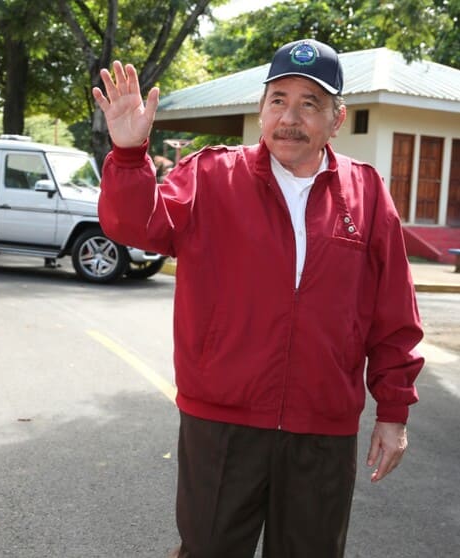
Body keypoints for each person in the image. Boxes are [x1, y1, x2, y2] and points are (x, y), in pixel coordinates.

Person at [92, 38, 424, 558]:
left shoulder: (366, 193)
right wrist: (130, 155)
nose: (290, 118)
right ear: (261, 108)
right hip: (221, 422)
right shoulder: (209, 175)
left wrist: (394, 410)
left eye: (310, 104)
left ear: (336, 119)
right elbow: (133, 224)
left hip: (323, 428)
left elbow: (394, 313)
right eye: (278, 100)